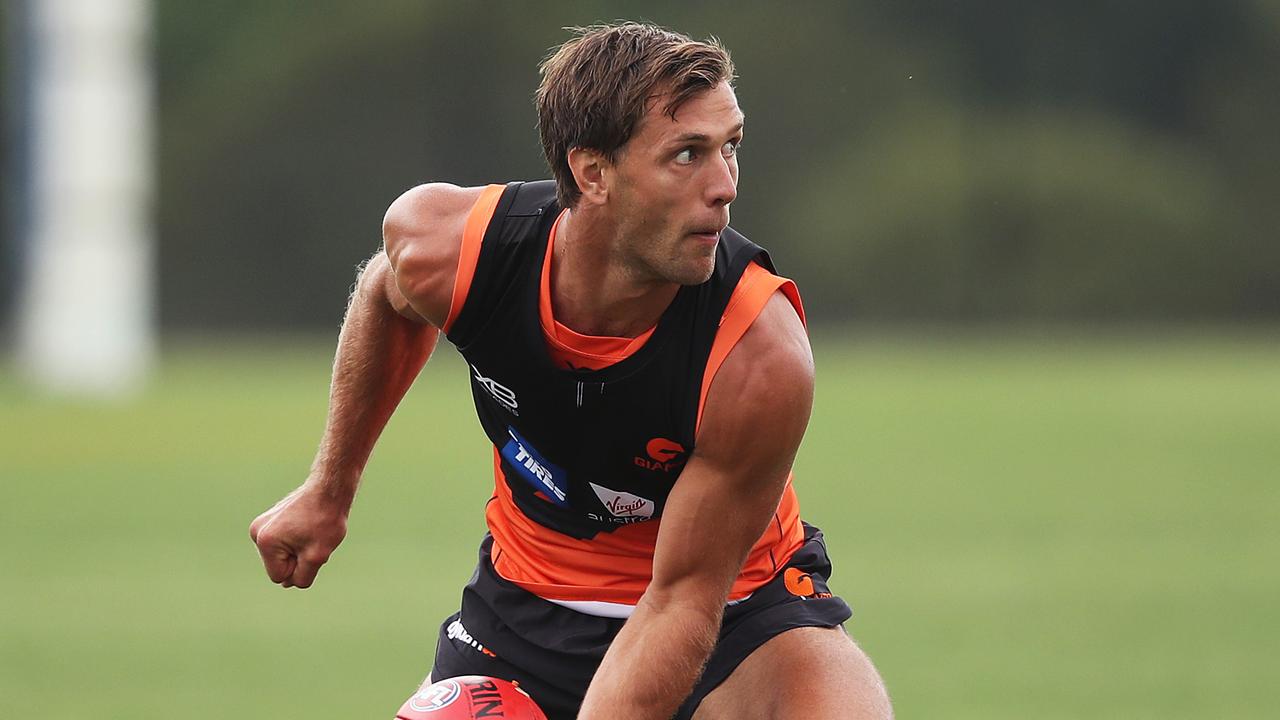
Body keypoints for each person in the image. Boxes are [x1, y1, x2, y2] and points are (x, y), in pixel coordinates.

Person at [249, 22, 892, 720]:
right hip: (523, 617)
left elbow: (682, 600)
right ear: (592, 173)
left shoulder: (757, 353)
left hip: (736, 616)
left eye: (729, 147)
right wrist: (329, 489)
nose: (724, 187)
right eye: (686, 155)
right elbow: (387, 293)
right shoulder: (454, 251)